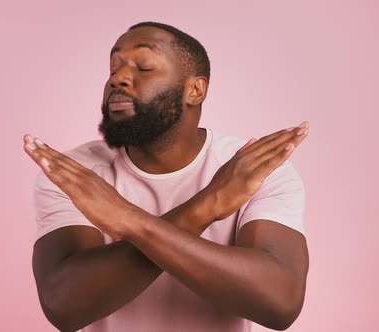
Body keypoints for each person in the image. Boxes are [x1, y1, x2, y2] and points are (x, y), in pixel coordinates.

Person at [23, 21, 310, 332]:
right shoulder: (75, 172)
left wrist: (129, 221)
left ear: (195, 90)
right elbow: (65, 306)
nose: (118, 79)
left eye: (144, 67)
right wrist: (207, 206)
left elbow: (280, 304)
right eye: (112, 69)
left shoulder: (252, 170)